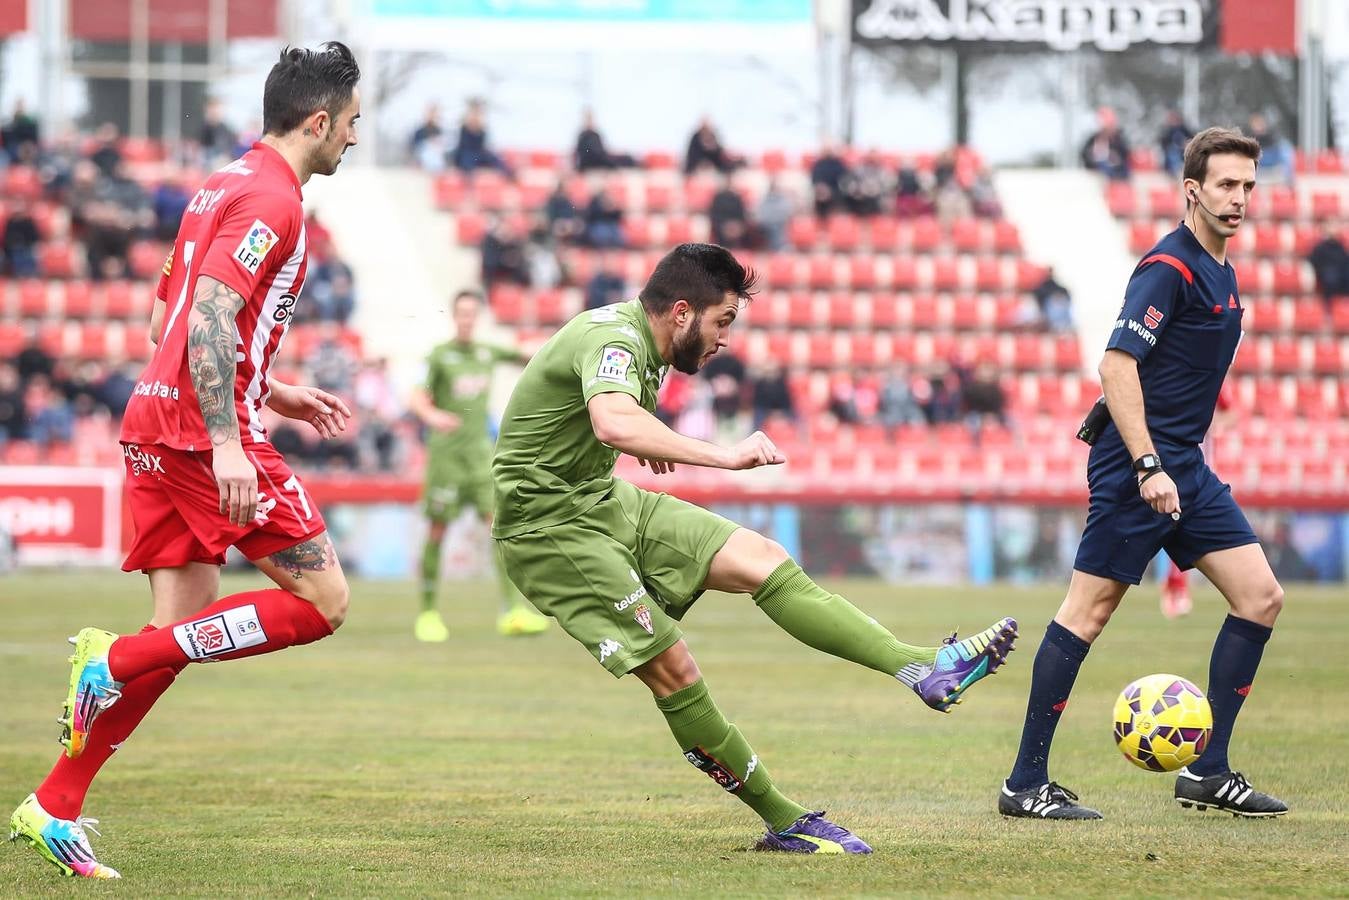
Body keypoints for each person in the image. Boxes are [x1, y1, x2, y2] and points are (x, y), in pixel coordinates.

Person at [492, 243, 1018, 853]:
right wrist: (722, 454)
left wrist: (650, 436)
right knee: (673, 671)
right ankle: (784, 819)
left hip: (600, 497)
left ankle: (920, 665)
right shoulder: (616, 340)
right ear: (682, 312)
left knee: (763, 559)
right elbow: (612, 421)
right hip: (547, 525)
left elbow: (607, 420)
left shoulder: (648, 344)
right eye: (723, 322)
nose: (725, 340)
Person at [8, 42, 363, 879]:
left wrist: (272, 389)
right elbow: (204, 315)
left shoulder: (221, 184)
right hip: (202, 441)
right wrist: (234, 437)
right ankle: (109, 661)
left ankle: (53, 804)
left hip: (155, 422)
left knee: (180, 632)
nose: (352, 137)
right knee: (323, 602)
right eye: (349, 123)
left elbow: (169, 312)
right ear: (318, 120)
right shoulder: (274, 200)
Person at [999, 128, 1287, 820]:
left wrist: (1176, 462)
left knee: (1260, 597)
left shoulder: (1221, 268)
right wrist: (1147, 464)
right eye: (1225, 184)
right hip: (1140, 466)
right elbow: (1115, 365)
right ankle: (1023, 783)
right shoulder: (1170, 267)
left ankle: (1206, 772)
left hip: (1185, 464)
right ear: (1191, 190)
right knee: (1086, 613)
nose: (1239, 197)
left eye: (1247, 185)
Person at [407, 290, 549, 642]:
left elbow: (528, 356)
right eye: (462, 314)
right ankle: (428, 613)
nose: (467, 320)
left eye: (473, 314)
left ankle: (512, 611)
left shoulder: (487, 353)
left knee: (499, 529)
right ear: (454, 317)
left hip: (480, 457)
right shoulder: (439, 357)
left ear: (479, 317)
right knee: (438, 530)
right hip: (446, 457)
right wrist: (431, 415)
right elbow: (415, 395)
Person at [1080, 107, 1131, 181]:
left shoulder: (1118, 140)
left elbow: (1125, 155)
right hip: (1100, 171)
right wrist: (1093, 158)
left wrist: (1115, 157)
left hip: (1118, 171)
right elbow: (1085, 155)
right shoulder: (1093, 140)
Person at [1158, 109, 1193, 176]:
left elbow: (1192, 137)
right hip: (1172, 151)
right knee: (1172, 152)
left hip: (1183, 150)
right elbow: (1163, 142)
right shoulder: (1167, 130)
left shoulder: (1183, 128)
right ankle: (1175, 171)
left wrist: (1186, 143)